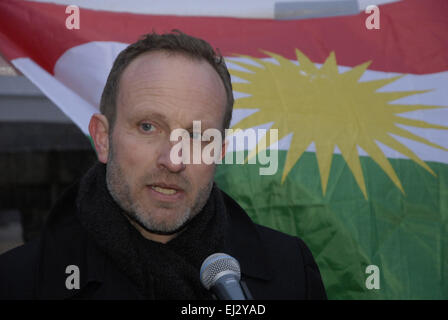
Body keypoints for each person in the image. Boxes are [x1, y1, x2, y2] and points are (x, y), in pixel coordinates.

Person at [0, 31, 327, 300]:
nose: (173, 160)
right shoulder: (19, 283)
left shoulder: (291, 274)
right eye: (148, 127)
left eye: (197, 136)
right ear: (103, 138)